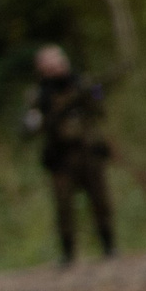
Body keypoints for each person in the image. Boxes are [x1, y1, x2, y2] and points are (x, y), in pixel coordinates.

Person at [21, 44, 115, 263]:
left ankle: (109, 246)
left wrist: (95, 92)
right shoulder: (38, 95)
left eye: (58, 61)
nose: (55, 66)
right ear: (41, 68)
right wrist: (42, 119)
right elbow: (28, 127)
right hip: (61, 156)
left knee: (100, 199)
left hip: (88, 150)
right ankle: (68, 253)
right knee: (63, 206)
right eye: (49, 63)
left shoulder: (82, 83)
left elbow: (100, 102)